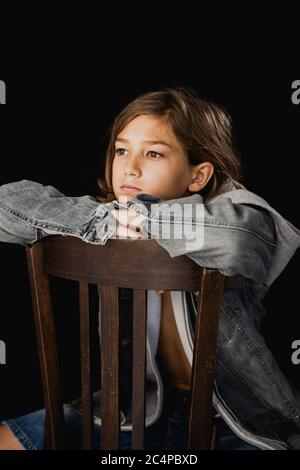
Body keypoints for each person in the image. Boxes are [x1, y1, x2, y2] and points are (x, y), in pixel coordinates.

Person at [0, 87, 300, 450]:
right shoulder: (112, 216)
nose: (130, 167)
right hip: (139, 411)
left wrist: (137, 219)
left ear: (198, 176)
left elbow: (238, 239)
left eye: (154, 153)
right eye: (121, 150)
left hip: (235, 420)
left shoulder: (236, 213)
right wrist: (103, 219)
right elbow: (6, 205)